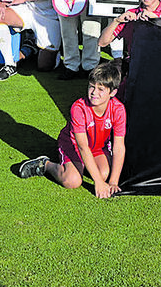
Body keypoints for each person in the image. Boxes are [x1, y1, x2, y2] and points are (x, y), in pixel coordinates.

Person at [15, 61, 128, 198]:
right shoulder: (79, 108)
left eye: (100, 89)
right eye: (91, 87)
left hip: (97, 148)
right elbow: (82, 146)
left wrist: (113, 182)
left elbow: (119, 146)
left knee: (104, 173)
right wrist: (98, 182)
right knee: (72, 181)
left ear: (113, 92)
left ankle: (82, 166)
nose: (94, 93)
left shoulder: (118, 109)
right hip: (73, 145)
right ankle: (46, 164)